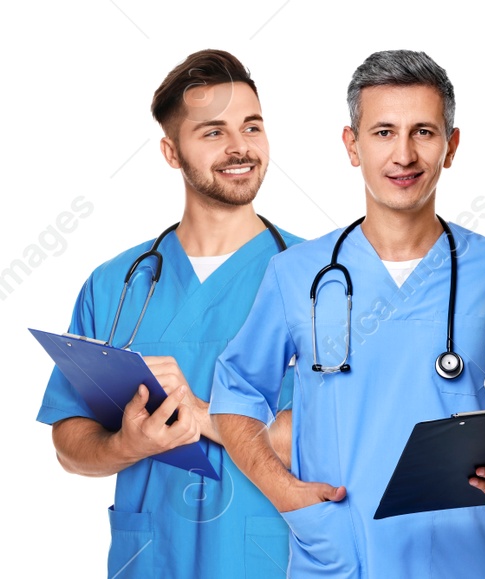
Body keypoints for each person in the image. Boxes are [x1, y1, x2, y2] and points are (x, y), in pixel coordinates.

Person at [210, 49, 485, 577]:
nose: (403, 154)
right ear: (351, 145)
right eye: (383, 132)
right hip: (339, 553)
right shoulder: (297, 275)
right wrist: (283, 491)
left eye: (423, 132)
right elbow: (237, 390)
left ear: (450, 147)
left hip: (474, 556)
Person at [35, 48, 301, 578]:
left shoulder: (317, 280)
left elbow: (349, 434)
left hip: (275, 556)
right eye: (212, 132)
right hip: (153, 557)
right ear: (171, 152)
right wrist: (124, 444)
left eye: (252, 127)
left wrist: (206, 418)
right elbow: (69, 443)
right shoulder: (116, 284)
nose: (239, 147)